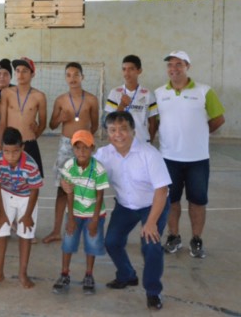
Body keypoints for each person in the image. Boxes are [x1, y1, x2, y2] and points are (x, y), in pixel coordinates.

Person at [96, 111, 171, 310]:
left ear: (133, 131)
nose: (118, 134)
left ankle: (153, 292)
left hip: (153, 205)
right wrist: (68, 182)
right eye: (113, 130)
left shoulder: (149, 154)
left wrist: (152, 222)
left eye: (123, 129)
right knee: (112, 242)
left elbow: (162, 190)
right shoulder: (103, 155)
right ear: (107, 132)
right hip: (125, 206)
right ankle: (127, 275)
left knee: (151, 246)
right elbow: (85, 172)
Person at [155, 50, 225, 259]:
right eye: (170, 65)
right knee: (171, 201)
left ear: (188, 67)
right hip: (169, 159)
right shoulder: (159, 93)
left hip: (198, 160)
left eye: (179, 64)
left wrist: (200, 133)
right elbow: (155, 122)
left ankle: (196, 239)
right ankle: (174, 236)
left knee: (197, 201)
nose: (173, 68)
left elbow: (218, 119)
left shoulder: (204, 91)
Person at [45, 62, 99, 244]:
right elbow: (52, 125)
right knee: (62, 189)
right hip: (65, 145)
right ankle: (56, 230)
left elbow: (95, 124)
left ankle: (85, 226)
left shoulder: (91, 99)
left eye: (76, 74)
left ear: (82, 77)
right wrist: (60, 118)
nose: (72, 78)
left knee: (86, 188)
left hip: (84, 144)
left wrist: (86, 142)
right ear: (65, 78)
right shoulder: (61, 100)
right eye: (68, 75)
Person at [52, 130, 108, 295]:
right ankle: (64, 274)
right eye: (77, 148)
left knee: (91, 245)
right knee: (68, 244)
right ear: (73, 149)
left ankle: (89, 275)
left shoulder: (98, 169)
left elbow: (99, 196)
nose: (81, 152)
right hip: (75, 213)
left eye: (85, 148)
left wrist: (95, 220)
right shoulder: (69, 166)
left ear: (93, 148)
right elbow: (69, 192)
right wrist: (70, 218)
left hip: (94, 214)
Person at [0, 127, 42, 289]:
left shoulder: (31, 164)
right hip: (5, 194)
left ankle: (22, 273)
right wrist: (2, 213)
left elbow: (35, 190)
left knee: (25, 234)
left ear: (22, 148)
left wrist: (28, 215)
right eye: (6, 151)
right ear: (0, 148)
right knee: (0, 232)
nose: (10, 156)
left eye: (15, 152)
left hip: (27, 198)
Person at [0, 57, 47, 205]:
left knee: (32, 183)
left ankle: (29, 214)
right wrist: (0, 145)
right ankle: (10, 218)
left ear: (32, 74)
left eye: (25, 71)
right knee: (7, 183)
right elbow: (2, 122)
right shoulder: (6, 93)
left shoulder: (39, 96)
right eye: (18, 71)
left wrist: (34, 134)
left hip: (29, 144)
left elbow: (43, 123)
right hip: (9, 145)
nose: (20, 74)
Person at [104, 55, 158, 144]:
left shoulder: (148, 94)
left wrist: (149, 142)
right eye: (124, 69)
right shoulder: (115, 93)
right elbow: (109, 122)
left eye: (131, 69)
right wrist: (121, 105)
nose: (126, 73)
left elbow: (153, 123)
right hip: (121, 143)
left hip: (142, 143)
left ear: (139, 71)